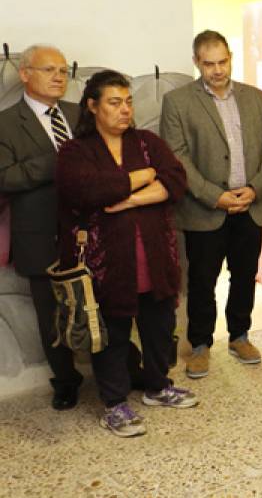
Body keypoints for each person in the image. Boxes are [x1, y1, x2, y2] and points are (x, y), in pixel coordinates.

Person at [56, 70, 196, 437]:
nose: (125, 110)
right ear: (92, 106)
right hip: (106, 265)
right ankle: (115, 404)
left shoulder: (147, 142)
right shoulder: (76, 151)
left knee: (159, 325)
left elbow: (176, 180)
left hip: (154, 257)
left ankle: (158, 386)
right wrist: (144, 176)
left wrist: (129, 199)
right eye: (114, 102)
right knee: (112, 334)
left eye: (128, 101)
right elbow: (86, 190)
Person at [160, 30, 262, 378]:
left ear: (230, 58)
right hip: (205, 209)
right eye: (209, 64)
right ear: (197, 62)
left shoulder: (255, 97)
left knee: (244, 276)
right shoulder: (178, 102)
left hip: (250, 205)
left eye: (222, 62)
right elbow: (176, 157)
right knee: (202, 281)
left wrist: (255, 188)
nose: (217, 70)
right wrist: (215, 196)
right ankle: (200, 345)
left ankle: (240, 336)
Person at [0, 45, 84, 409]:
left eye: (63, 70)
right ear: (24, 74)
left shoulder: (80, 114)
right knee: (51, 315)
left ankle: (118, 371)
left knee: (103, 304)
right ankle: (65, 380)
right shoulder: (5, 122)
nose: (58, 77)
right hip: (38, 235)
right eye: (49, 69)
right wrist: (58, 160)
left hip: (89, 231)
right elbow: (5, 177)